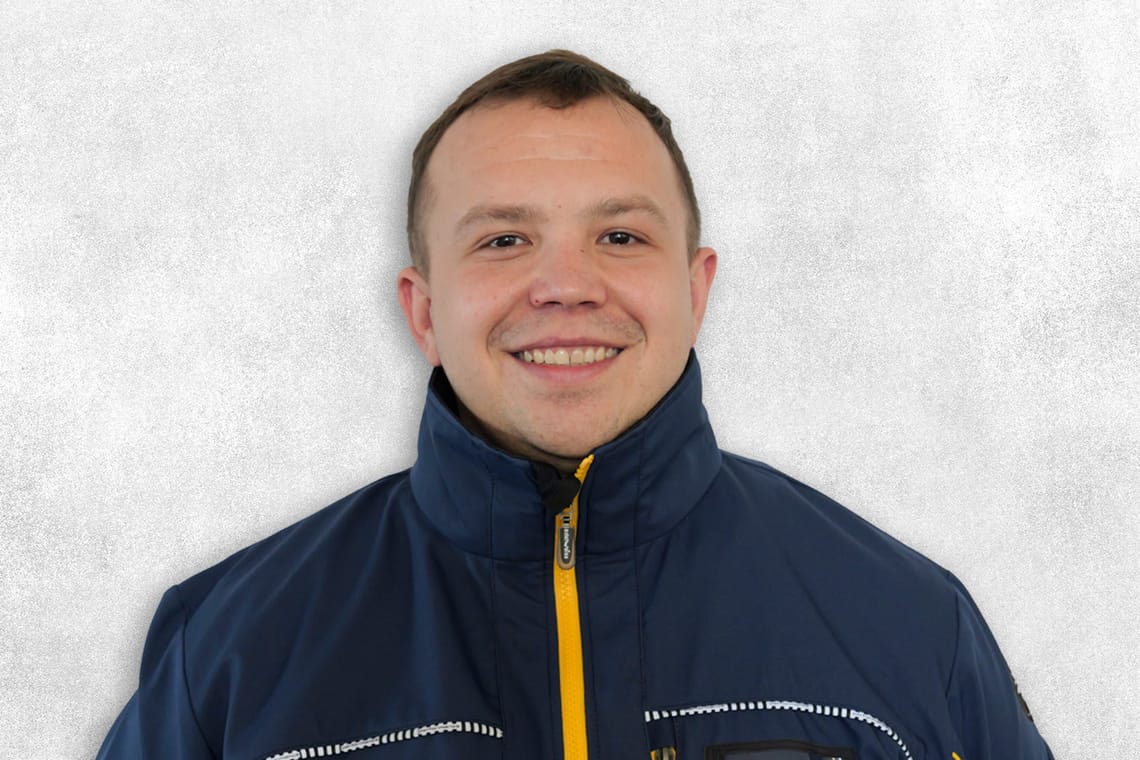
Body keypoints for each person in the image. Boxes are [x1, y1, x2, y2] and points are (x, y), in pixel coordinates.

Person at [98, 49, 1054, 760]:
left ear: (696, 290)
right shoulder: (230, 647)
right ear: (424, 311)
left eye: (621, 237)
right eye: (504, 240)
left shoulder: (909, 624)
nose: (565, 285)